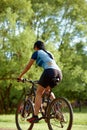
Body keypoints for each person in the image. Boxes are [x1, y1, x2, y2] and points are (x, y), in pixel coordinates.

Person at [18, 40, 62, 123]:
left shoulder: (37, 52)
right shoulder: (49, 53)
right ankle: (57, 111)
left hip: (49, 71)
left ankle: (35, 116)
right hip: (59, 73)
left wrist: (20, 76)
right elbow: (51, 64)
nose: (34, 49)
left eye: (34, 48)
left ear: (36, 47)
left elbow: (28, 66)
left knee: (38, 93)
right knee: (47, 91)